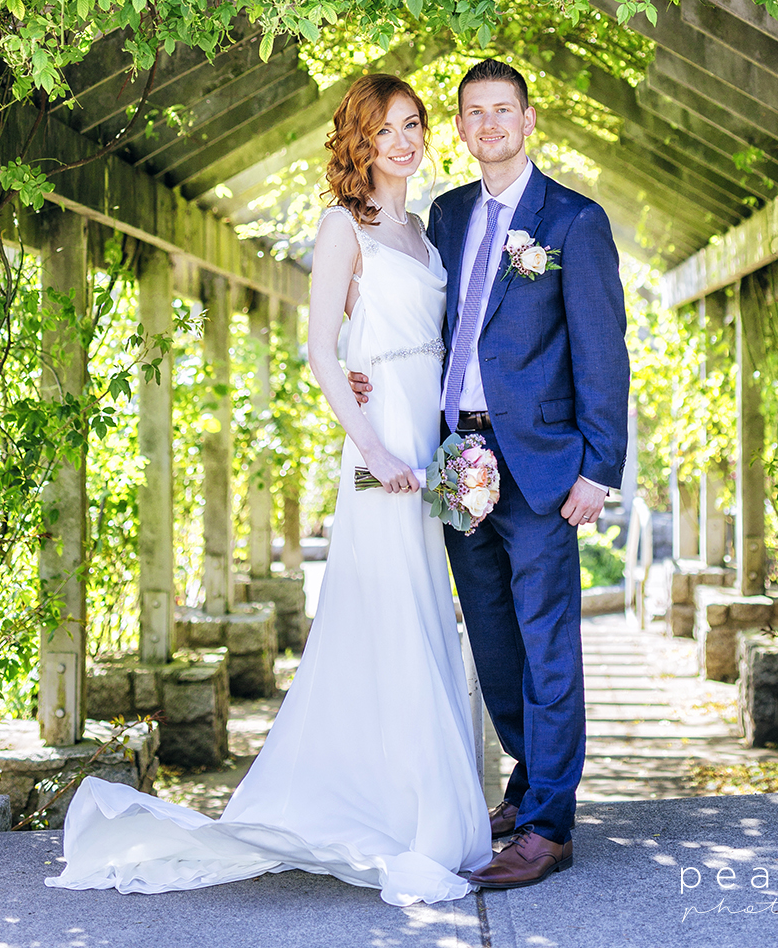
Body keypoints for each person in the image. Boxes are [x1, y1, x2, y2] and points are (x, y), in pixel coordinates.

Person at [45, 74, 492, 908]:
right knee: (391, 608)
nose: (403, 141)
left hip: (427, 436)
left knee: (422, 612)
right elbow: (321, 350)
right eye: (385, 129)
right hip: (381, 445)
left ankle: (404, 801)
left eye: (413, 125)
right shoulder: (341, 227)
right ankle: (412, 818)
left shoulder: (425, 231)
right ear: (359, 141)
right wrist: (373, 446)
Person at [350, 58, 629, 890]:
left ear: (528, 119)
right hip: (456, 459)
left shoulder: (573, 220)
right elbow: (414, 317)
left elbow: (603, 351)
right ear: (461, 129)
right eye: (474, 113)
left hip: (541, 468)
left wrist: (598, 467)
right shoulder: (446, 214)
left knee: (547, 645)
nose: (490, 125)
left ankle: (549, 826)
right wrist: (362, 367)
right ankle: (527, 781)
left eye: (503, 110)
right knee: (494, 642)